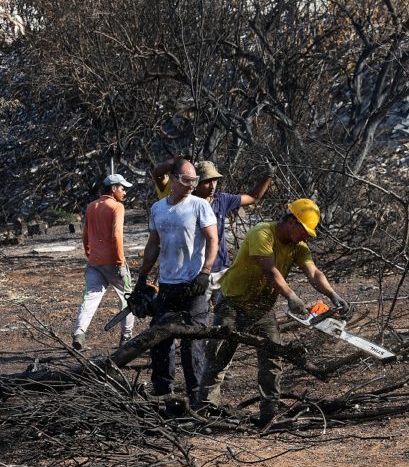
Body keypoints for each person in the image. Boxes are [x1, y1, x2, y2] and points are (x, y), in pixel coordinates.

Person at [200, 198, 351, 424]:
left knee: (272, 360)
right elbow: (270, 272)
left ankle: (269, 415)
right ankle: (205, 412)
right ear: (291, 221)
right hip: (233, 301)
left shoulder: (299, 247)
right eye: (304, 230)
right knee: (218, 356)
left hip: (261, 308)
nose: (307, 236)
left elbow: (314, 273)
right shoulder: (263, 233)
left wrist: (333, 295)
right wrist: (291, 296)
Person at [135, 158, 218, 408]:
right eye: (186, 180)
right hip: (167, 286)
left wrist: (205, 272)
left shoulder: (200, 206)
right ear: (173, 179)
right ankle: (164, 396)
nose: (192, 185)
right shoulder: (158, 208)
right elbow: (153, 245)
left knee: (193, 347)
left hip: (193, 286)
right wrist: (142, 277)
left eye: (194, 180)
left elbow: (213, 240)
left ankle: (198, 400)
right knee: (160, 342)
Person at [152, 158, 274, 303]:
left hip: (220, 269)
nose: (212, 186)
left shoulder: (221, 200)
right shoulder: (185, 203)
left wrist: (269, 176)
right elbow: (157, 175)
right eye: (207, 181)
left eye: (215, 181)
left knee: (223, 314)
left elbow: (253, 197)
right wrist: (176, 162)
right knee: (196, 313)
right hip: (194, 272)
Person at [73, 173, 135, 351]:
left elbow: (85, 234)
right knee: (127, 298)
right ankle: (126, 337)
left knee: (89, 298)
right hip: (114, 263)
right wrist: (120, 262)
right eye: (122, 188)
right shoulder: (117, 207)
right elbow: (117, 236)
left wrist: (89, 253)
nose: (124, 192)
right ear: (113, 188)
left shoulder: (91, 206)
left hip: (95, 262)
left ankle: (79, 333)